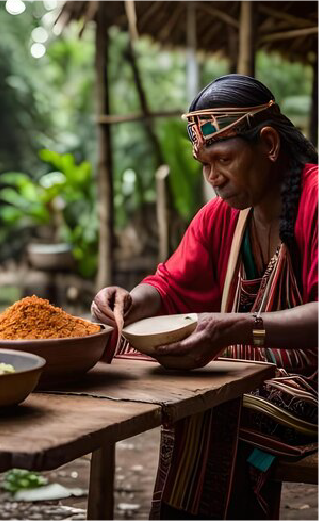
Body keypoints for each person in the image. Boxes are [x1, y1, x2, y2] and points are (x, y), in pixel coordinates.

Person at [91, 74, 319, 521]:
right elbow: (170, 285)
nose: (213, 177)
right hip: (265, 374)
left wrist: (240, 325)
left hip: (314, 383)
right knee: (120, 355)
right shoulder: (220, 216)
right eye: (204, 164)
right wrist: (130, 302)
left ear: (269, 144)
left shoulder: (315, 197)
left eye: (224, 159)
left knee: (215, 408)